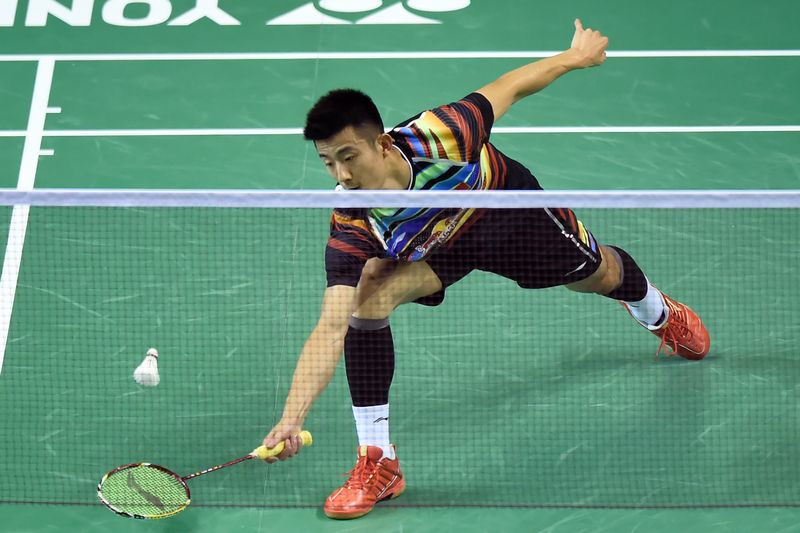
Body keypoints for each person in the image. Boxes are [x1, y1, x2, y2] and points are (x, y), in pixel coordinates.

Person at [261, 19, 710, 520]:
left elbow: (510, 87)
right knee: (366, 298)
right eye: (328, 163)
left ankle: (655, 310)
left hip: (504, 213)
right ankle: (379, 461)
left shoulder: (445, 134)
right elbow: (329, 326)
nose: (342, 175)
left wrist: (574, 56)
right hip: (435, 245)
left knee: (597, 274)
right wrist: (291, 416)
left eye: (349, 157)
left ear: (382, 144)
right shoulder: (351, 219)